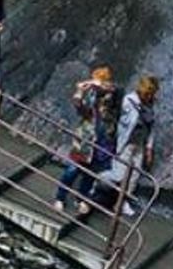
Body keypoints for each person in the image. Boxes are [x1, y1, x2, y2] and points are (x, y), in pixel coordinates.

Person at [55, 66, 120, 219]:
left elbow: (113, 90)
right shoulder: (91, 96)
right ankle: (60, 197)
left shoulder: (111, 98)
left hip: (102, 143)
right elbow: (80, 108)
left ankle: (81, 199)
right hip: (85, 141)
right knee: (71, 171)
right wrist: (79, 91)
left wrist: (96, 85)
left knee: (89, 175)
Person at [113, 74, 158, 214]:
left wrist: (149, 148)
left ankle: (123, 201)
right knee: (119, 173)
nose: (149, 96)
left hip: (139, 144)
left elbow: (151, 127)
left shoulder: (151, 105)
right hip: (126, 142)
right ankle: (107, 197)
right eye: (148, 93)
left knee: (134, 175)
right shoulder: (129, 100)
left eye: (152, 93)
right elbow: (122, 121)